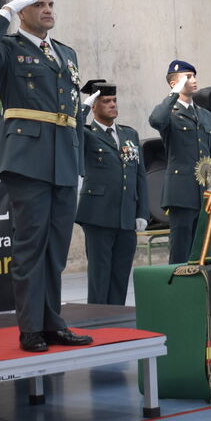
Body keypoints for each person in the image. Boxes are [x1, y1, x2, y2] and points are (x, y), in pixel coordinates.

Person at [0, 0, 93, 353]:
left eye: (50, 4)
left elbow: (74, 112)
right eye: (39, 4)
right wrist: (4, 13)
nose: (48, 10)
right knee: (30, 247)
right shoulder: (8, 49)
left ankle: (53, 322)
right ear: (22, 10)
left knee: (56, 249)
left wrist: (79, 164)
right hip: (27, 159)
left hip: (64, 159)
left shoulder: (66, 53)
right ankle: (30, 328)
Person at [75, 79, 148, 304]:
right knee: (99, 278)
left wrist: (142, 213)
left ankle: (117, 319)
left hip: (126, 216)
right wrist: (83, 107)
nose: (113, 105)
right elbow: (70, 129)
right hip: (98, 216)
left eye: (114, 100)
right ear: (94, 106)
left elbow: (140, 176)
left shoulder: (129, 134)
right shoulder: (87, 134)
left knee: (120, 277)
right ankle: (98, 320)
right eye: (106, 101)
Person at [148, 60, 211, 263]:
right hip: (181, 193)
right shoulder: (169, 113)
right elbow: (156, 120)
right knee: (181, 252)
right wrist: (174, 94)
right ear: (174, 83)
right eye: (188, 77)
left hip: (205, 193)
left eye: (194, 76)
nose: (194, 80)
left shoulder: (205, 115)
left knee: (204, 252)